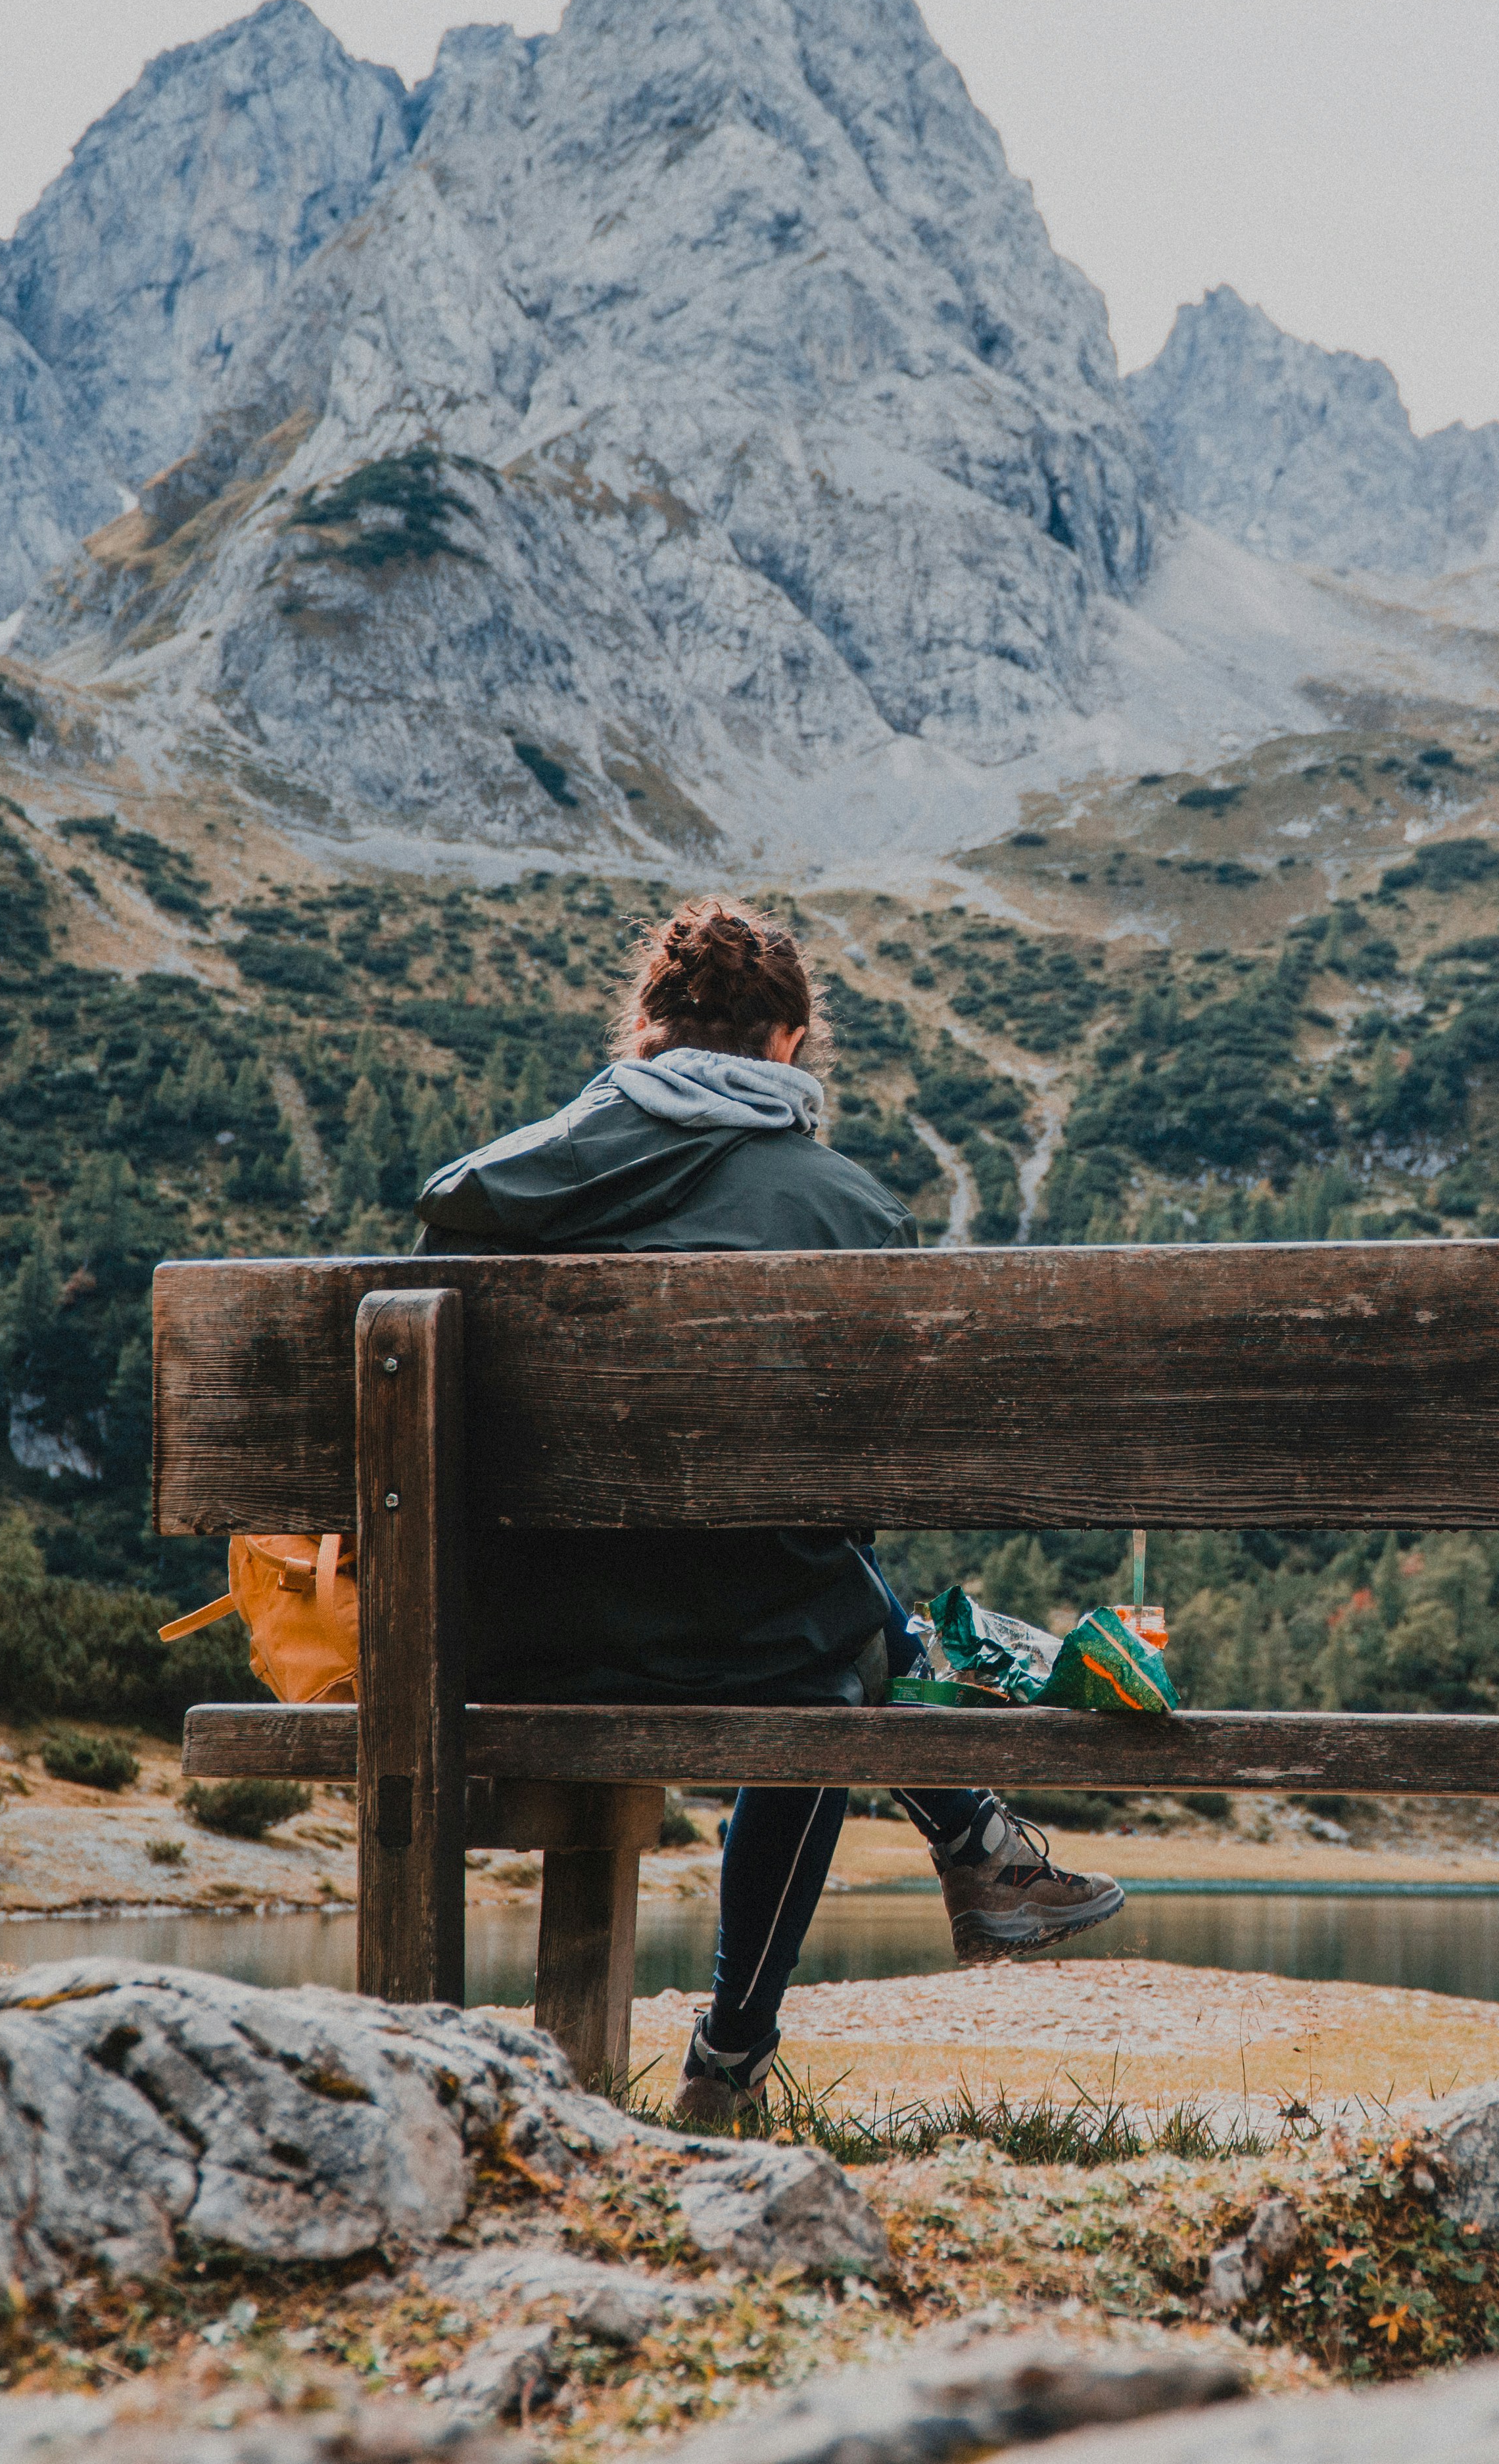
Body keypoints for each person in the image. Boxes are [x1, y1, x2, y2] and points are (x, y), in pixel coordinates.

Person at [414, 895, 1123, 2125]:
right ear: (789, 1044)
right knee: (839, 1654)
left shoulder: (489, 1188)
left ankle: (975, 1856)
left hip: (504, 1647)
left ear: (644, 1030)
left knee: (832, 1634)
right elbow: (870, 1496)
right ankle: (737, 2057)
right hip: (761, 1648)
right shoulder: (849, 1213)